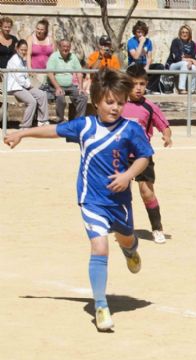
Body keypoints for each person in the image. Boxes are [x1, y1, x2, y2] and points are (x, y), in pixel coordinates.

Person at [3, 69, 154, 332]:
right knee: (99, 247)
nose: (115, 107)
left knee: (126, 237)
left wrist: (128, 175)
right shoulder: (84, 126)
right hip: (91, 199)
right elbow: (53, 130)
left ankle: (129, 249)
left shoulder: (131, 129)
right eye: (110, 102)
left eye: (120, 102)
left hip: (119, 202)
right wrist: (21, 134)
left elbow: (144, 157)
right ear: (97, 100)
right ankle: (100, 305)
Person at [122, 64, 174, 244]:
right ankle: (123, 228)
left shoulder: (149, 106)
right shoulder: (118, 103)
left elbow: (164, 126)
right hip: (120, 156)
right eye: (134, 84)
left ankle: (157, 228)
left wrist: (167, 136)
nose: (138, 88)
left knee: (146, 192)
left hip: (142, 156)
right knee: (121, 192)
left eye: (142, 84)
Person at [7, 39, 49, 128]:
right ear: (17, 49)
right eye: (22, 50)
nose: (23, 52)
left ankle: (42, 120)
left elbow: (25, 76)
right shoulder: (14, 60)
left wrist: (29, 85)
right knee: (32, 102)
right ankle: (25, 125)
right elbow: (19, 78)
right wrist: (29, 85)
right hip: (15, 88)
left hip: (24, 86)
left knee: (42, 94)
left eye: (25, 50)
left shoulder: (22, 60)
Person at [45, 39, 87, 123]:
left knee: (83, 97)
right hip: (55, 85)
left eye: (68, 47)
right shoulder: (54, 56)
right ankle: (60, 120)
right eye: (63, 46)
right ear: (59, 47)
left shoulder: (73, 57)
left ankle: (78, 121)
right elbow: (50, 74)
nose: (66, 48)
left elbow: (79, 72)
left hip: (70, 86)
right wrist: (57, 87)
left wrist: (81, 88)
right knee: (60, 97)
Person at [166, 25, 196, 94]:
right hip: (173, 65)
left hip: (186, 65)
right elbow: (176, 57)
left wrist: (192, 61)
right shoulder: (176, 41)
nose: (184, 34)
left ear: (189, 34)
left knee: (194, 67)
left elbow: (193, 56)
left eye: (186, 32)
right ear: (180, 33)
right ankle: (181, 88)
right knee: (185, 64)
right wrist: (190, 60)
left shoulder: (192, 44)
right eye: (183, 32)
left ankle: (192, 89)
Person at [26, 18, 55, 83]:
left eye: (41, 29)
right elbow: (28, 55)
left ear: (45, 30)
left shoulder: (50, 39)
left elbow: (53, 56)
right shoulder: (31, 38)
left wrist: (52, 70)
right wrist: (29, 69)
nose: (39, 31)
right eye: (37, 29)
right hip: (34, 72)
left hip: (47, 72)